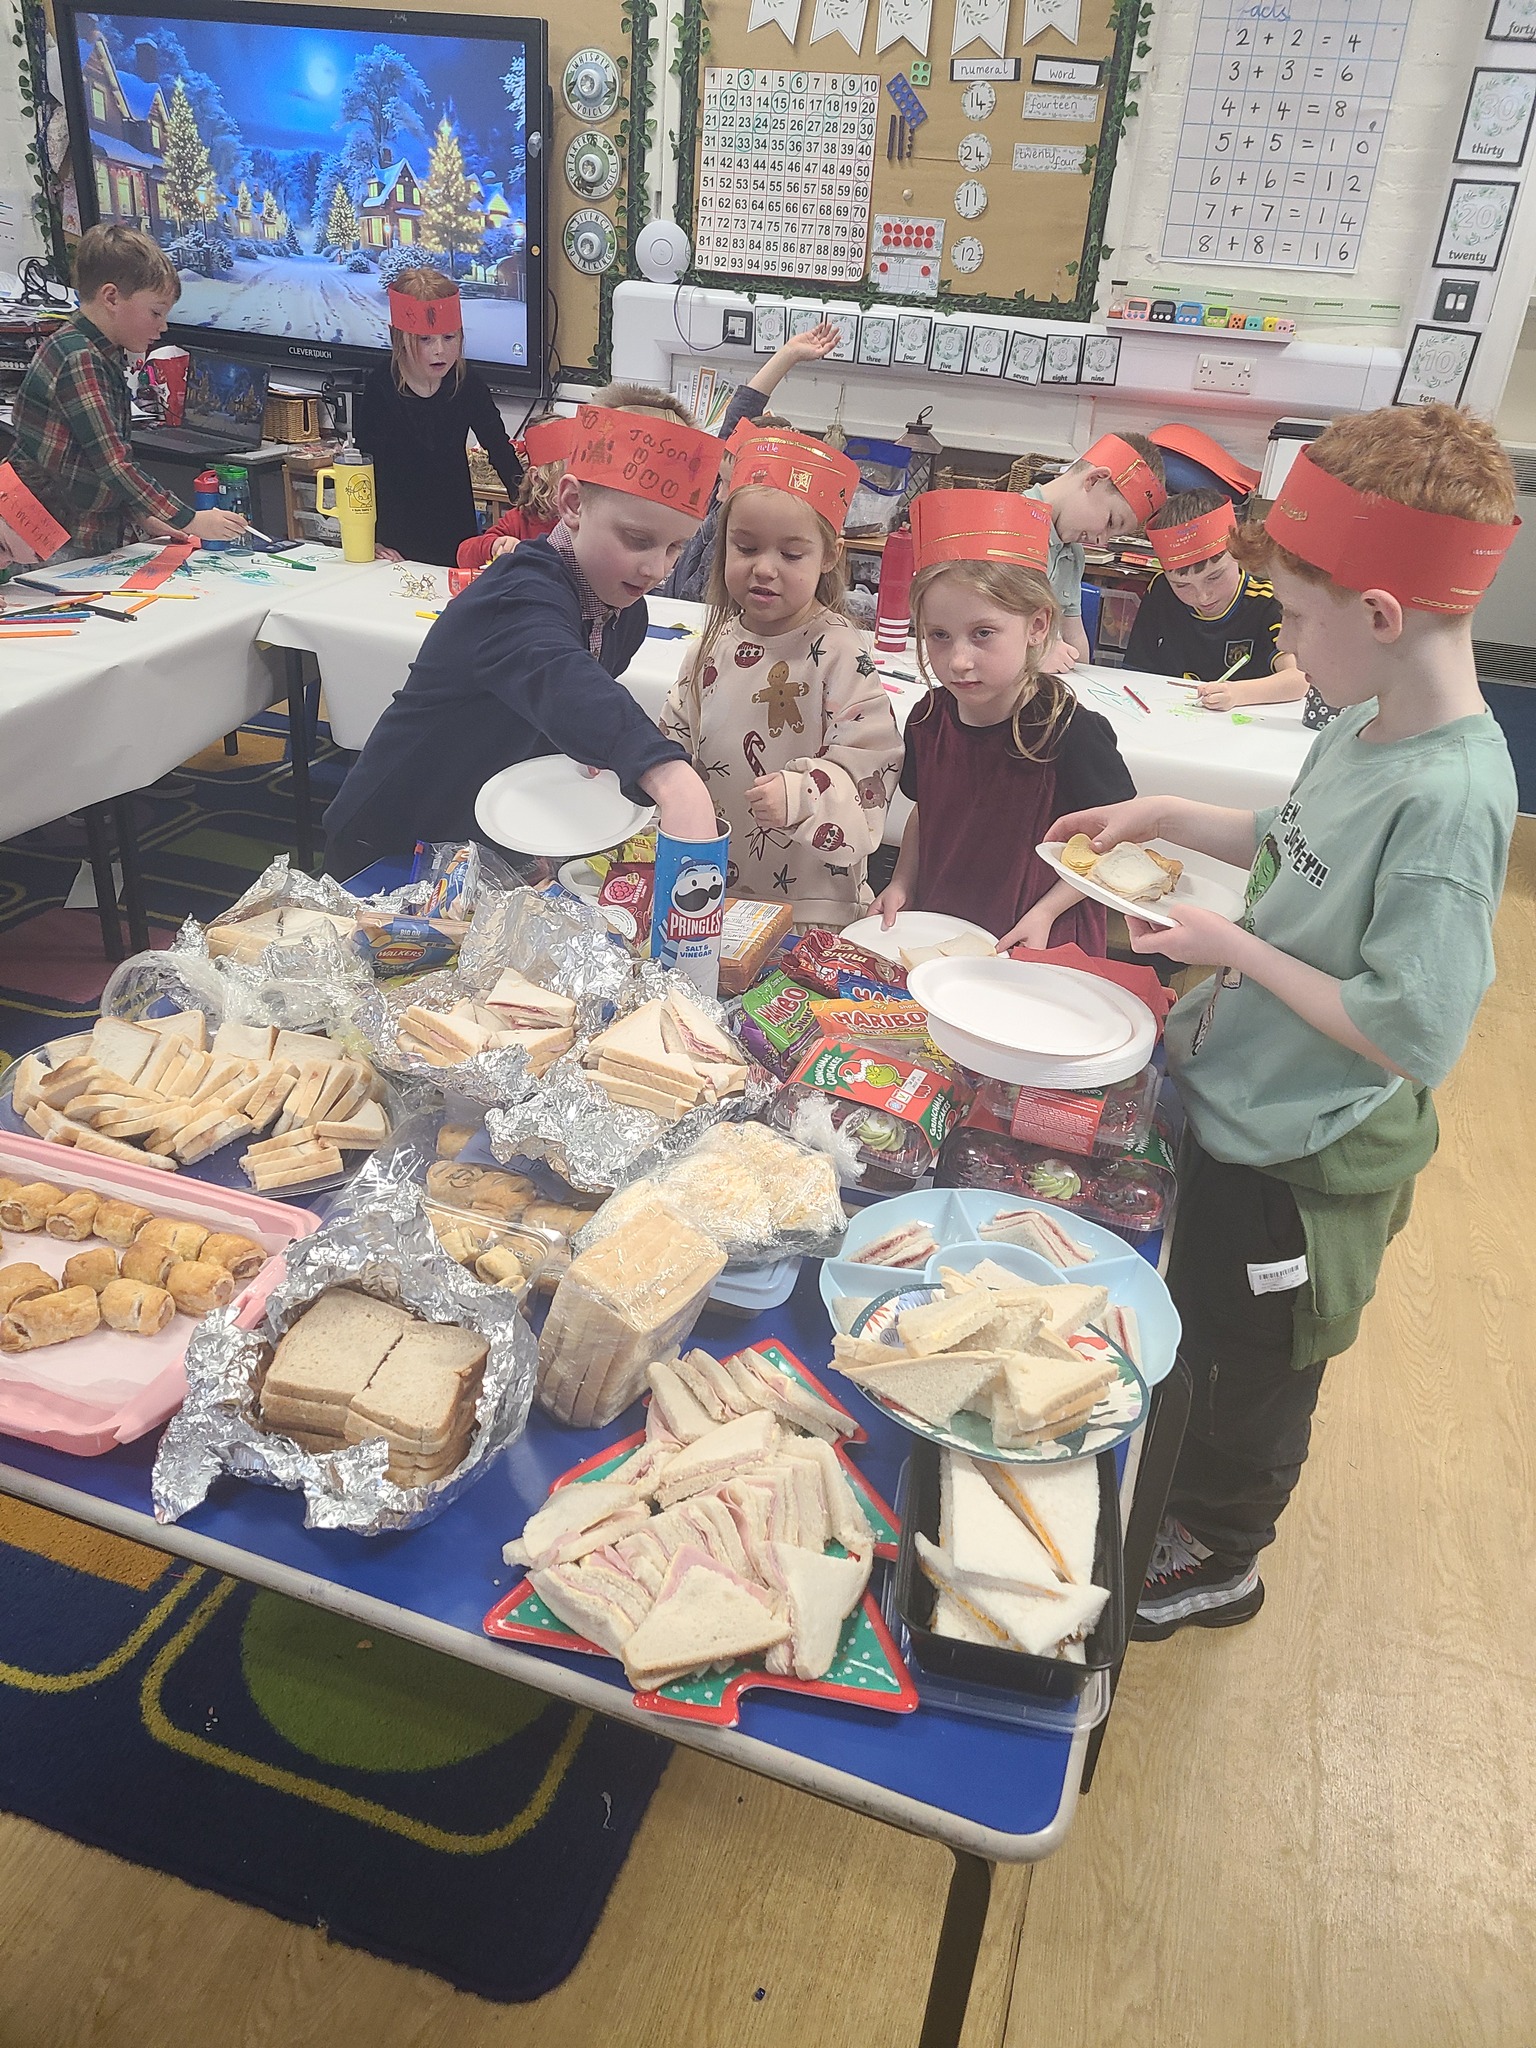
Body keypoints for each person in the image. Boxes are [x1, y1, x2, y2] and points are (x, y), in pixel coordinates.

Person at [1047, 402, 1520, 1641]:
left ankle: (1221, 1552)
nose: (1288, 643)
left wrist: (1236, 947)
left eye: (1299, 620)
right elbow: (1292, 840)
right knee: (1201, 1319)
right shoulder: (1366, 717)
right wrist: (1168, 814)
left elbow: (1412, 1031)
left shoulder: (1452, 799)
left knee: (1256, 1365)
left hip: (1307, 1158)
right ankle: (1180, 1484)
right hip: (1241, 1089)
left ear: (1380, 615)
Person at [323, 404, 724, 878]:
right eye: (637, 539)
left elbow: (558, 709)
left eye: (676, 547)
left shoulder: (627, 614)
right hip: (394, 839)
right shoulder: (515, 596)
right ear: (572, 504)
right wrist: (669, 775)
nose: (656, 569)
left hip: (489, 838)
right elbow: (561, 677)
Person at [872, 490, 1135, 954]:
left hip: (1039, 937)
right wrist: (902, 884)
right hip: (944, 925)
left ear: (1037, 626)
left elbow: (1115, 839)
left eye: (983, 633)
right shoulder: (928, 718)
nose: (958, 661)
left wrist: (1047, 912)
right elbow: (924, 812)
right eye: (939, 635)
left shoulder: (1071, 732)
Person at [659, 426, 900, 927]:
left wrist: (803, 795)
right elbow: (675, 733)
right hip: (713, 885)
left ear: (829, 555)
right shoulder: (712, 644)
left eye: (791, 555)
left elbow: (872, 763)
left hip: (810, 901)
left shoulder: (837, 651)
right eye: (746, 548)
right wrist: (637, 764)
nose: (764, 569)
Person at [9, 223, 247, 557]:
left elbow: (92, 461)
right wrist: (190, 519)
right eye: (156, 312)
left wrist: (145, 515)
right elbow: (114, 465)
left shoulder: (93, 351)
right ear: (111, 297)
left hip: (72, 532)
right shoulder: (80, 359)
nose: (163, 326)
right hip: (55, 538)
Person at [661, 320, 843, 602]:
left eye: (728, 484)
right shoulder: (719, 504)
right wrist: (788, 353)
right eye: (719, 481)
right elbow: (741, 412)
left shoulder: (750, 544)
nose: (718, 493)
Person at [355, 268, 522, 567]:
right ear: (400, 339)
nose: (440, 351)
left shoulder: (466, 382)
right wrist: (371, 539)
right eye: (425, 340)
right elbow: (363, 469)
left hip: (455, 531)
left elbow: (498, 447)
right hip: (396, 538)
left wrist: (527, 500)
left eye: (449, 337)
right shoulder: (380, 386)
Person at [1125, 489, 1330, 722]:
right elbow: (1135, 670)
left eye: (1214, 577)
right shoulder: (1161, 591)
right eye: (1182, 585)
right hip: (1168, 719)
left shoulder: (1266, 599)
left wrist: (1237, 693)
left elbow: (1298, 679)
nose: (1203, 597)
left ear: (1237, 555)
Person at [1025, 432, 1166, 673]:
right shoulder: (1006, 526)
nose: (1101, 540)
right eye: (1111, 522)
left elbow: (1073, 636)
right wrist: (1034, 653)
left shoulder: (1073, 555)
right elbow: (978, 631)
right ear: (1094, 479)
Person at [456, 413, 572, 570]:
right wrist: (495, 545)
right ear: (537, 479)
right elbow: (464, 554)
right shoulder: (521, 520)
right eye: (566, 480)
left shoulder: (586, 523)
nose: (578, 489)